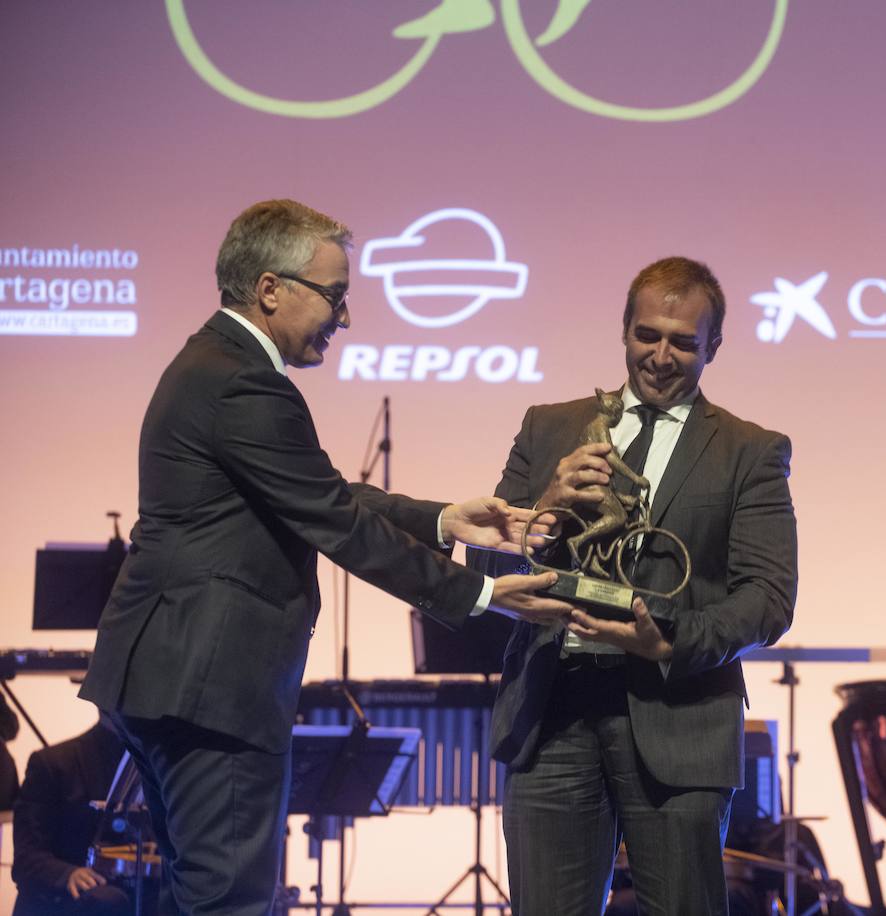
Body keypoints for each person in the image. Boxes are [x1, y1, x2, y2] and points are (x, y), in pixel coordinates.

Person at [77, 199, 572, 916]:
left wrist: (445, 519)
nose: (345, 316)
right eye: (335, 296)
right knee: (230, 902)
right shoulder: (245, 382)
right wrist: (482, 595)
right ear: (271, 288)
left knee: (202, 896)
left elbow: (316, 493)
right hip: (214, 690)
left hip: (171, 678)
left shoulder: (215, 365)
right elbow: (334, 520)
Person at [484, 256, 798, 916]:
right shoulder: (548, 426)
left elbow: (768, 598)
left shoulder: (750, 450)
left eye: (683, 342)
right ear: (624, 331)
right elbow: (490, 571)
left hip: (677, 712)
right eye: (646, 336)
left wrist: (668, 642)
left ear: (713, 345)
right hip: (554, 712)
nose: (661, 356)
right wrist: (543, 508)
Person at [12, 715, 133, 916]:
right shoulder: (52, 763)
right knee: (108, 901)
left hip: (119, 895)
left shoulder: (146, 764)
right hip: (59, 902)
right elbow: (26, 858)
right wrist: (68, 874)